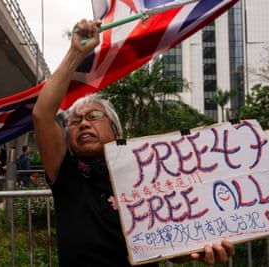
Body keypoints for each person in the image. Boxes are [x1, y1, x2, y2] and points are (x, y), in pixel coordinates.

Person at [32, 19, 235, 267]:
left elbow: (172, 245)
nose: (84, 123)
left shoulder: (147, 176)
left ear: (116, 132)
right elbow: (42, 114)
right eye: (75, 121)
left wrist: (198, 249)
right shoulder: (67, 176)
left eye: (94, 116)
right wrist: (76, 53)